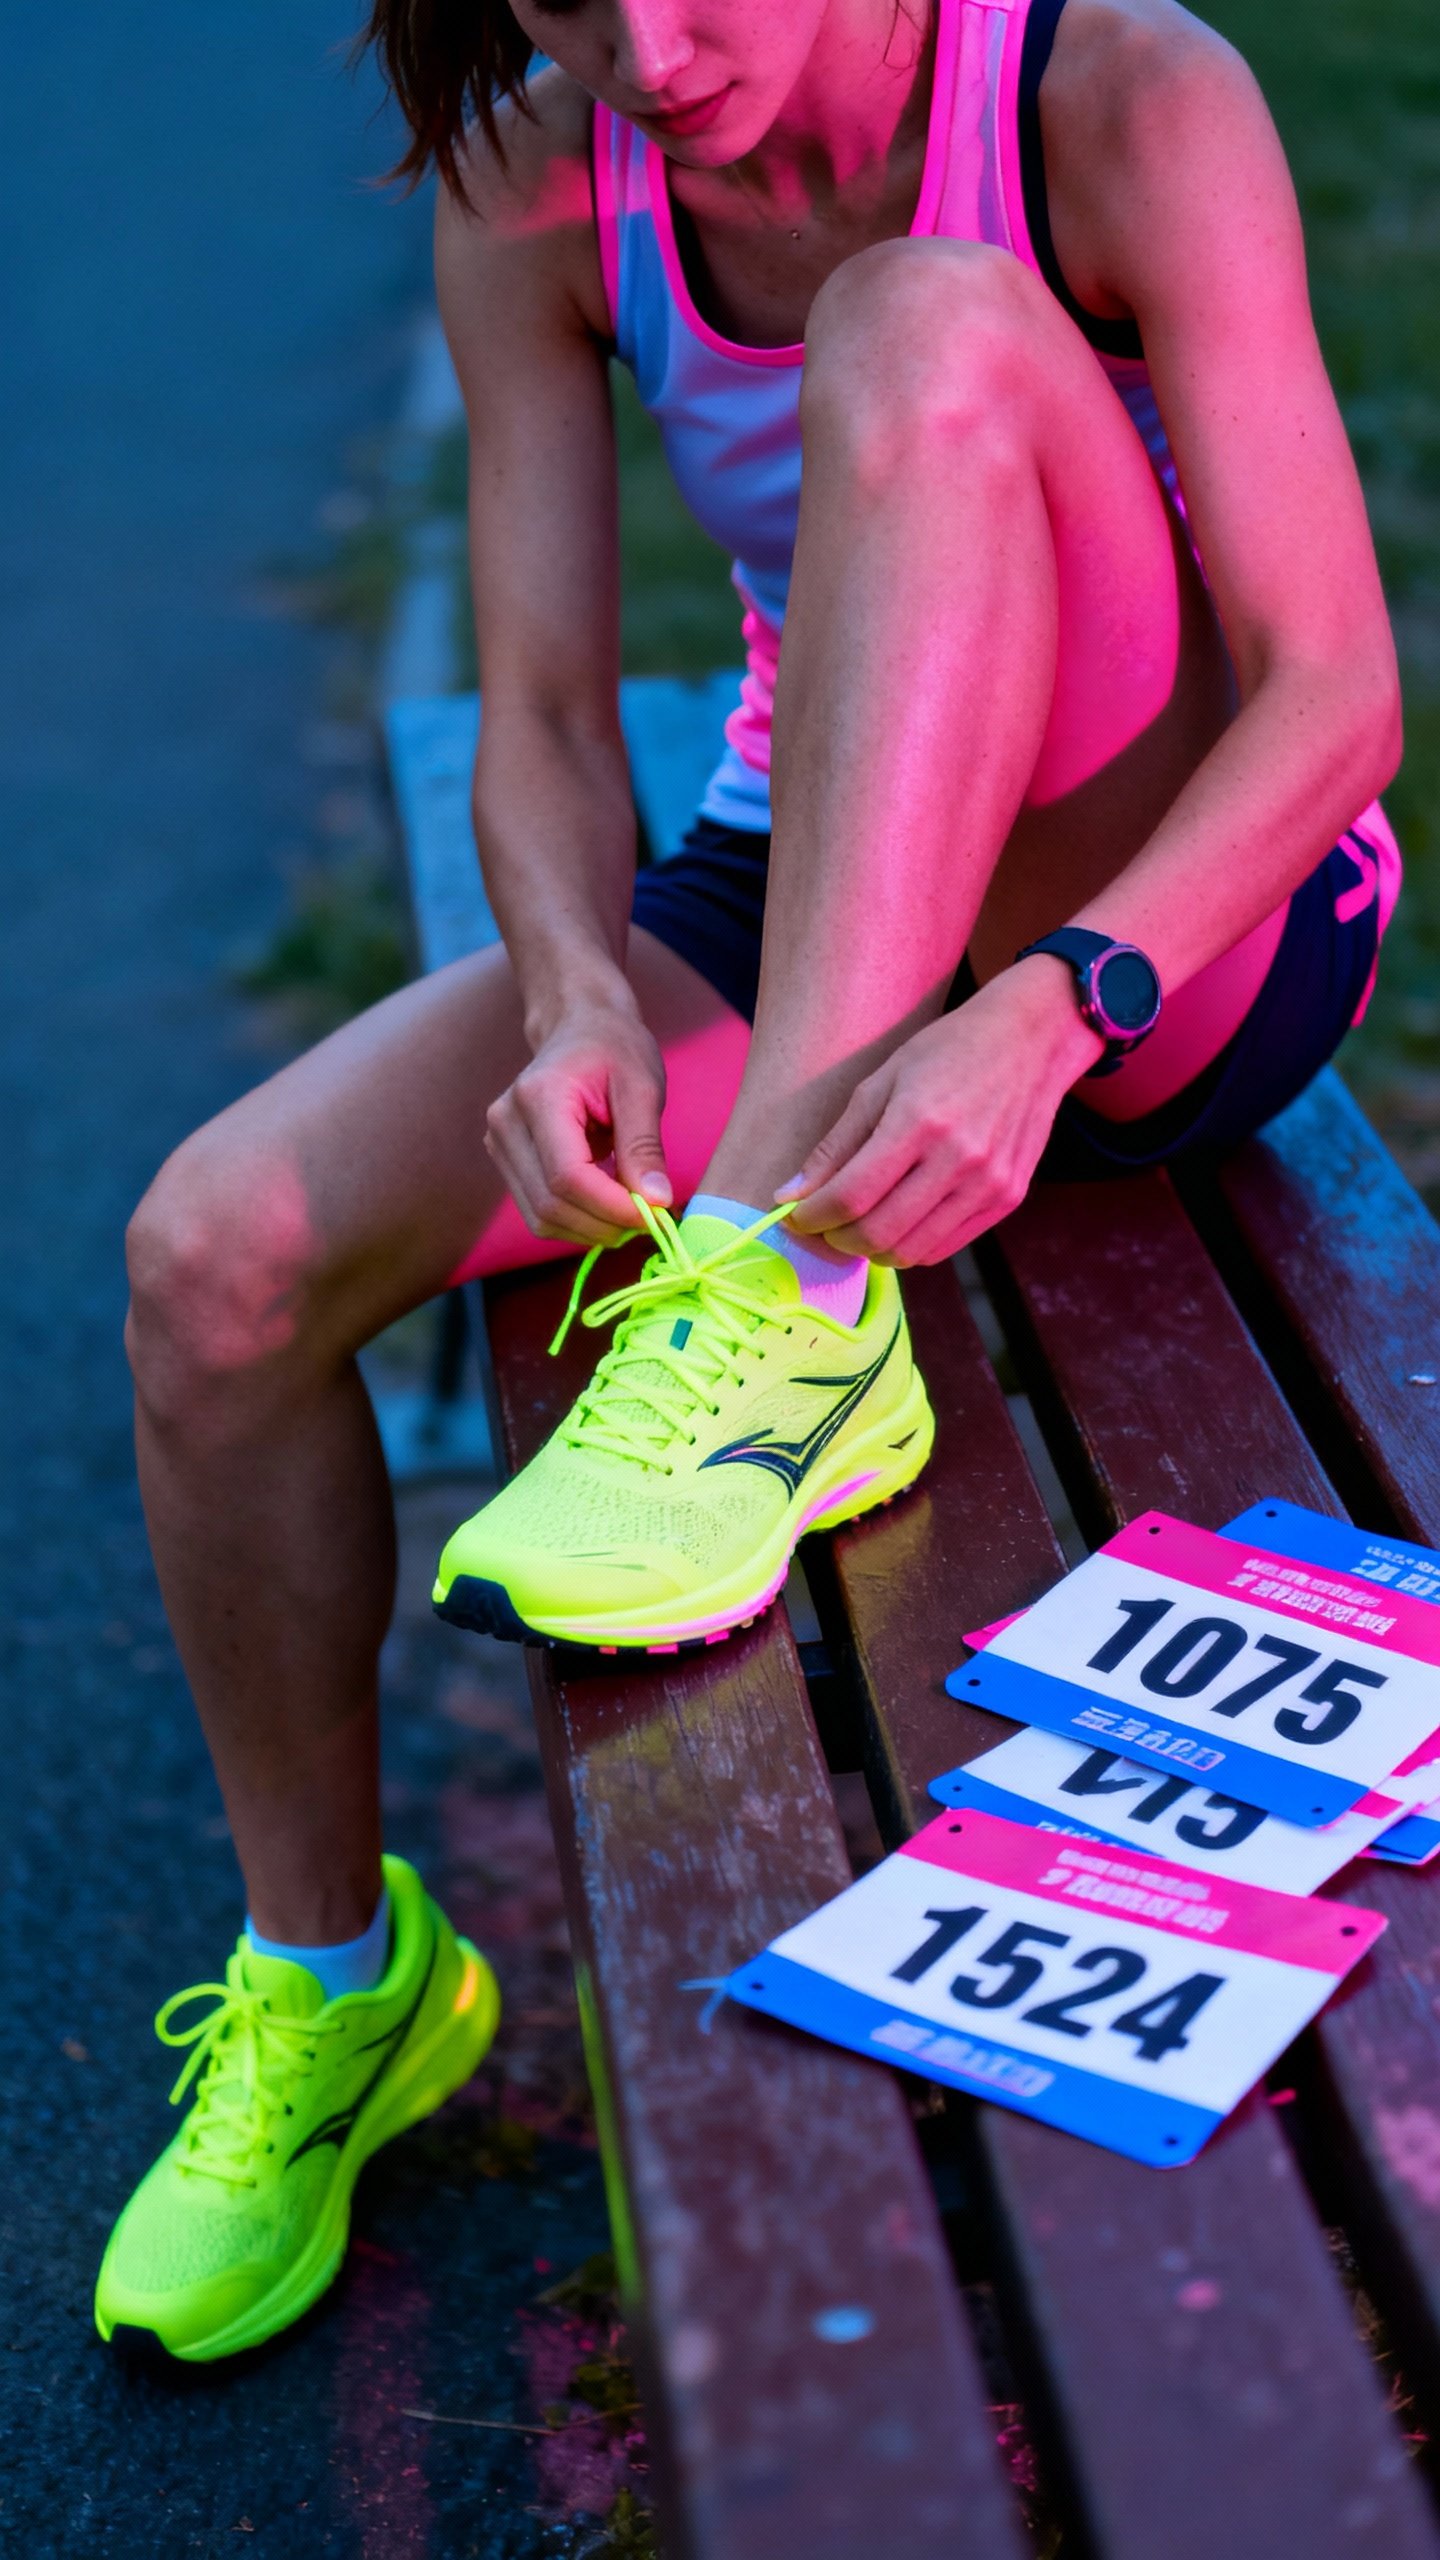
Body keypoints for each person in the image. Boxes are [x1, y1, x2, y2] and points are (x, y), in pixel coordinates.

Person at [96, 0, 1401, 2358]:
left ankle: (783, 1297)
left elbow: (1337, 689)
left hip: (1174, 925)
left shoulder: (1116, 93)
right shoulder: (539, 180)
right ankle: (337, 1978)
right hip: (817, 880)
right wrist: (575, 992)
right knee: (215, 1258)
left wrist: (1059, 1001)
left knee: (924, 314)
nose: (652, 49)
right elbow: (548, 709)